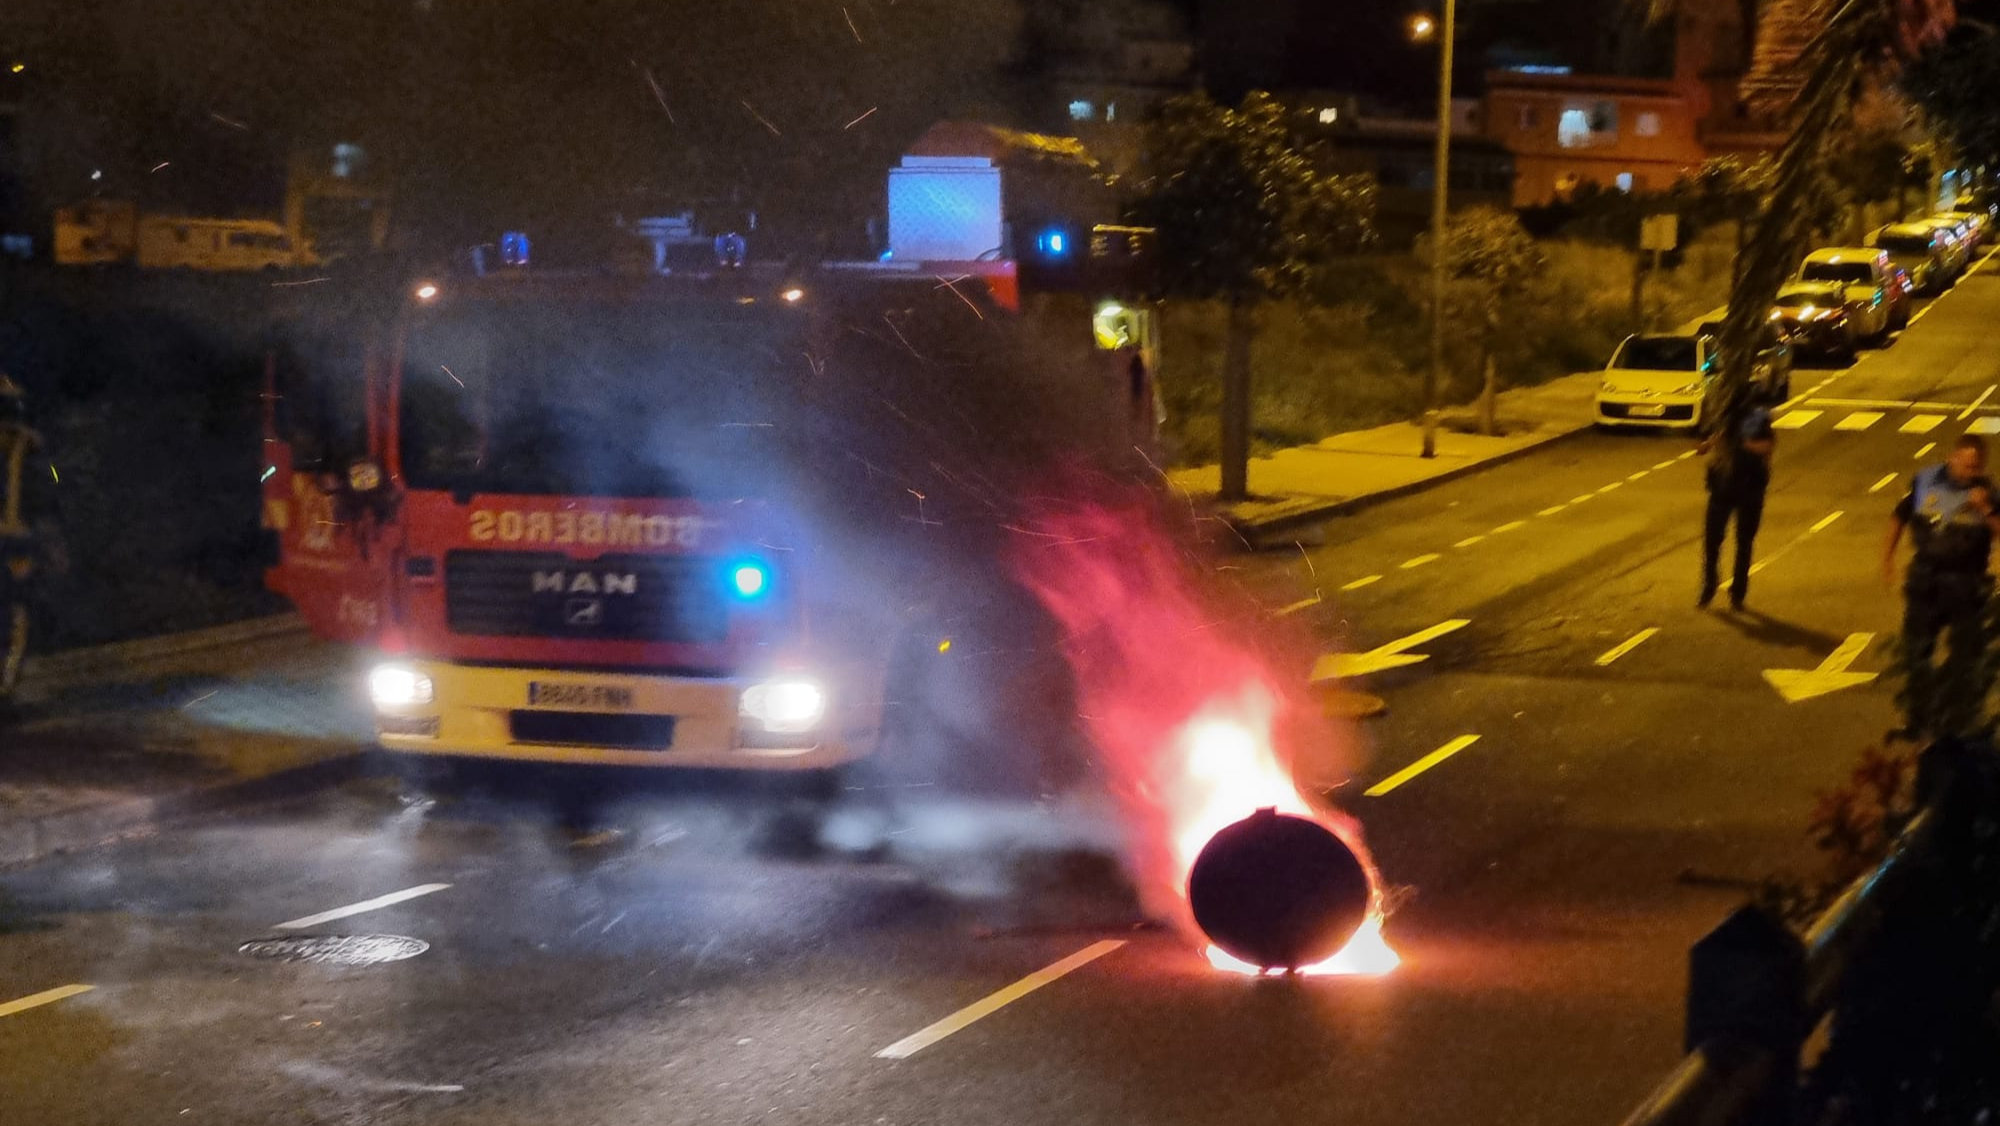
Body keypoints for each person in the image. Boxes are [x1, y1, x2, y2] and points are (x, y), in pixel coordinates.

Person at [1884, 433, 2000, 738]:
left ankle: (1962, 722)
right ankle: (1918, 719)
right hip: (1926, 580)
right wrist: (1887, 558)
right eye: (1966, 465)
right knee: (1916, 653)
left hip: (1966, 583)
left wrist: (1985, 509)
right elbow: (1899, 516)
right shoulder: (1925, 481)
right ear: (1953, 458)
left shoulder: (1988, 492)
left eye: (1976, 468)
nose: (1970, 473)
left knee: (1966, 656)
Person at [1699, 404, 1776, 610]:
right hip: (1722, 488)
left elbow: (1767, 446)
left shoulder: (1757, 419)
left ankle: (1738, 591)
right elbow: (1710, 442)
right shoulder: (1724, 416)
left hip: (1749, 489)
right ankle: (1709, 584)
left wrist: (1741, 443)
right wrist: (1709, 444)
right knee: (1712, 541)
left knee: (1744, 542)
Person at [0, 375, 46, 699]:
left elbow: (46, 484)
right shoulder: (22, 444)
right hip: (15, 534)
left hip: (15, 535)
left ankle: (7, 680)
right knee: (16, 607)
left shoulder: (23, 445)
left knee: (17, 606)